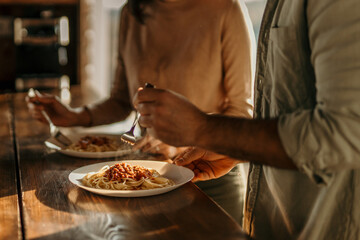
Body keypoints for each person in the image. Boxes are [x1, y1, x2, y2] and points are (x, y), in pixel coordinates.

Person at [133, 0, 360, 239]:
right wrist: (236, 148)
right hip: (275, 224)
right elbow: (290, 114)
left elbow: (345, 131)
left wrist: (205, 129)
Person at [27, 0, 255, 224]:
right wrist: (74, 116)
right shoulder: (131, 12)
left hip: (211, 182)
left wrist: (186, 143)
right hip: (145, 183)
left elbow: (241, 113)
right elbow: (121, 100)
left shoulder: (227, 8)